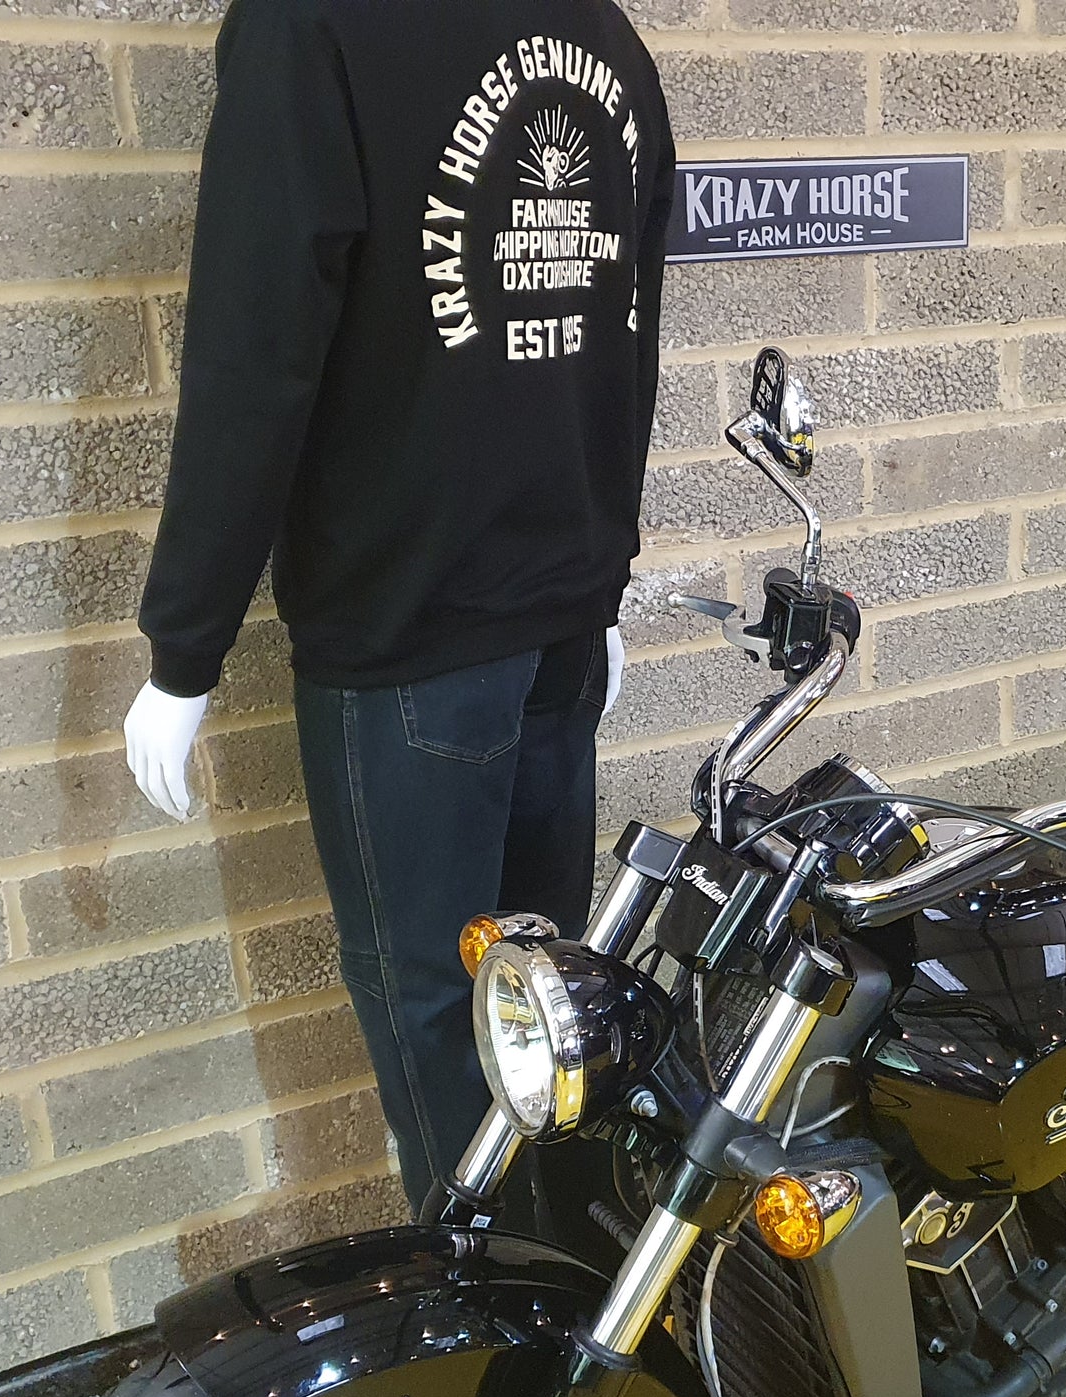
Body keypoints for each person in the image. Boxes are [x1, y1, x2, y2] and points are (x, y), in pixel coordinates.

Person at [124, 0, 675, 1214]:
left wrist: (185, 651)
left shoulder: (311, 25)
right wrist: (598, 579)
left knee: (447, 1005)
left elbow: (255, 351)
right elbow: (623, 339)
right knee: (544, 1001)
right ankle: (573, 1286)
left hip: (417, 633)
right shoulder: (603, 37)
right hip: (558, 626)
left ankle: (491, 1333)